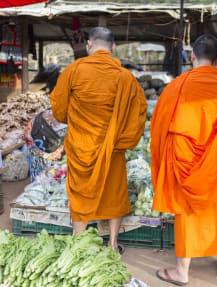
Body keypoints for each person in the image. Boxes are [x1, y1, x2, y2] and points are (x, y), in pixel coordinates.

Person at [151, 34, 217, 285]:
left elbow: (158, 127)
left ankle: (182, 271)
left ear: (192, 56)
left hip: (185, 162)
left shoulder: (176, 87)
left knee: (187, 213)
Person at [50, 27, 147, 253]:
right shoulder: (125, 77)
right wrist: (120, 138)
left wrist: (76, 121)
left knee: (80, 193)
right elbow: (138, 112)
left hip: (81, 145)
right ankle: (113, 244)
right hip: (112, 147)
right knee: (114, 194)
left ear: (89, 44)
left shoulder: (73, 71)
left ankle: (79, 245)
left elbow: (58, 109)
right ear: (113, 48)